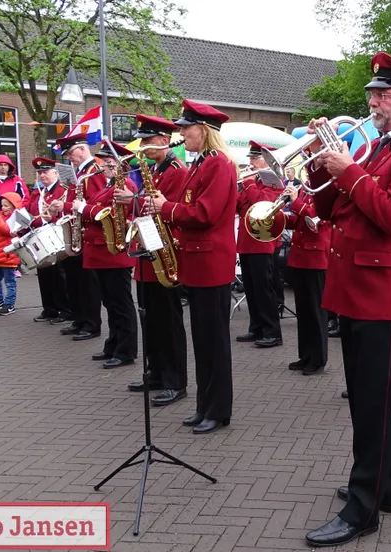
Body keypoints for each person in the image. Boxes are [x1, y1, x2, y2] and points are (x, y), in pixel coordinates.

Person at [303, 52, 391, 547]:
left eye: (382, 95)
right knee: (366, 401)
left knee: (374, 402)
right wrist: (321, 164)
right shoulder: (378, 149)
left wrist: (349, 171)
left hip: (384, 291)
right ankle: (385, 487)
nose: (373, 102)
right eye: (371, 95)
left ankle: (363, 510)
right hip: (360, 288)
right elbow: (333, 205)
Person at [148, 99, 237, 435]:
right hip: (198, 263)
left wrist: (165, 207)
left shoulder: (217, 164)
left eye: (187, 127)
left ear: (205, 130)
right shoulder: (201, 164)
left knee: (213, 342)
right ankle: (205, 405)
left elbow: (204, 214)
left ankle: (218, 409)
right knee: (203, 340)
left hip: (211, 263)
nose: (181, 133)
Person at [117, 114, 189, 406]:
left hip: (164, 252)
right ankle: (156, 371)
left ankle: (175, 381)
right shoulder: (156, 169)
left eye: (147, 141)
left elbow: (167, 209)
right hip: (148, 250)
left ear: (162, 140)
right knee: (150, 319)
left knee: (168, 321)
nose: (143, 146)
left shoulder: (176, 170)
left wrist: (132, 201)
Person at [73, 141, 139, 368]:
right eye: (104, 161)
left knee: (120, 304)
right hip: (101, 253)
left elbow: (109, 214)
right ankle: (113, 344)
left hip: (114, 253)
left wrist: (83, 208)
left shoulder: (125, 184)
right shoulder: (107, 185)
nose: (105, 164)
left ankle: (126, 350)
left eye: (109, 161)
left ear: (120, 164)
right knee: (111, 304)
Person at [50, 134, 106, 340]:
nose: (69, 158)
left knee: (87, 283)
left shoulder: (94, 172)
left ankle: (91, 324)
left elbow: (97, 202)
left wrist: (65, 206)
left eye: (71, 153)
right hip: (76, 231)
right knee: (74, 280)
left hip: (87, 233)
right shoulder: (81, 172)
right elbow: (75, 200)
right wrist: (61, 205)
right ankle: (79, 318)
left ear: (82, 149)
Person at [235, 141, 282, 348]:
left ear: (266, 160)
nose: (251, 162)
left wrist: (248, 183)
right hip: (246, 241)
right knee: (252, 289)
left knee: (264, 289)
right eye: (251, 159)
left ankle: (273, 331)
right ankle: (256, 328)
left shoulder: (273, 182)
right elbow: (238, 206)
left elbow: (261, 206)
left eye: (255, 158)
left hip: (262, 242)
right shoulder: (250, 181)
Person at [282, 182, 330, 375]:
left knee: (316, 312)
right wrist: (279, 216)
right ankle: (306, 355)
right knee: (303, 312)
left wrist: (296, 202)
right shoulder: (307, 188)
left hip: (317, 258)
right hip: (300, 256)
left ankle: (318, 359)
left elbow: (317, 221)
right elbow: (300, 221)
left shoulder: (326, 191)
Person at [27, 158, 71, 323]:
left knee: (59, 275)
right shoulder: (40, 191)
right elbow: (32, 210)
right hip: (40, 236)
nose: (42, 175)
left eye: (45, 172)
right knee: (44, 274)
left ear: (55, 173)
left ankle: (65, 310)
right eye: (39, 173)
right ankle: (49, 308)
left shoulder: (62, 189)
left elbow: (65, 212)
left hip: (57, 236)